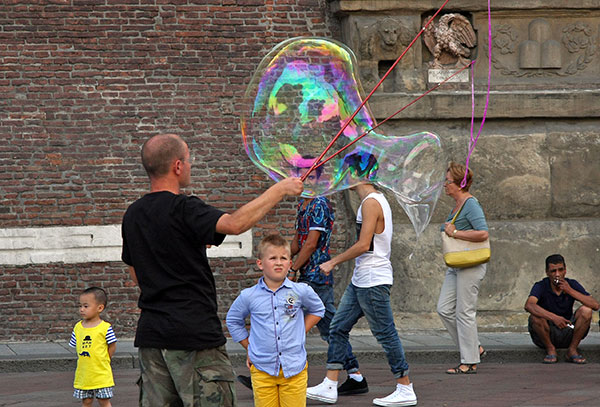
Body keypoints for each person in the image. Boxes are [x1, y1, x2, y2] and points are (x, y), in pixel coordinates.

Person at [121, 133, 303, 407]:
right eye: (189, 159)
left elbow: (137, 273)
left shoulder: (132, 214)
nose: (190, 165)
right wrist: (280, 189)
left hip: (152, 337)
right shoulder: (184, 208)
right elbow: (234, 224)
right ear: (177, 166)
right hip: (194, 333)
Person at [306, 183, 417, 407]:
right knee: (337, 327)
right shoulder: (374, 200)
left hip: (373, 280)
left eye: (349, 172)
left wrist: (333, 262)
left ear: (360, 176)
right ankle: (330, 384)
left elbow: (364, 244)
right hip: (361, 279)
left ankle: (405, 387)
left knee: (385, 334)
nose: (345, 178)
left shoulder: (371, 203)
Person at [226, 234, 324, 407]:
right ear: (260, 263)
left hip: (294, 369)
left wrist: (301, 329)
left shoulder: (300, 291)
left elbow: (318, 309)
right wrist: (249, 346)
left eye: (283, 258)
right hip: (262, 370)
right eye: (273, 258)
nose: (279, 262)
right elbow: (233, 320)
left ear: (290, 263)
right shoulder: (249, 295)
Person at [437, 162, 489, 374]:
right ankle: (474, 347)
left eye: (448, 181)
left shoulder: (470, 204)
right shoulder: (457, 205)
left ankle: (469, 361)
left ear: (459, 184)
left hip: (471, 265)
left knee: (464, 312)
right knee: (444, 308)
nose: (445, 185)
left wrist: (455, 233)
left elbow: (483, 233)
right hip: (456, 264)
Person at [524, 254, 599, 364]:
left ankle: (572, 350)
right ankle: (550, 349)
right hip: (547, 333)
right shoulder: (541, 285)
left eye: (560, 270)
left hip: (568, 330)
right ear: (547, 272)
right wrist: (554, 318)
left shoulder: (571, 284)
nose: (557, 274)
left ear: (565, 270)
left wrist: (570, 291)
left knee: (586, 311)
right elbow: (529, 305)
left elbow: (595, 305)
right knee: (535, 316)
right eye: (553, 271)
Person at [69, 287, 117, 407]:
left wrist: (106, 359)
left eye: (86, 306)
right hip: (84, 374)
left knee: (104, 401)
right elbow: (76, 346)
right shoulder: (78, 327)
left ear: (100, 308)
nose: (81, 309)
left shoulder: (105, 328)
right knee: (86, 401)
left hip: (101, 374)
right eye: (80, 306)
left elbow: (112, 345)